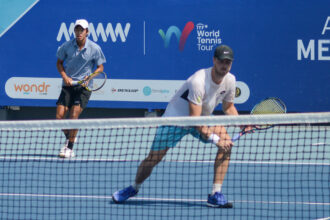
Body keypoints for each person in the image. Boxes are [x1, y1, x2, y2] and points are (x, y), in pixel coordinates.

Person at [112, 45, 248, 208]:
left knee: (226, 144)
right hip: (176, 119)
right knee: (154, 159)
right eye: (221, 61)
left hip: (200, 117)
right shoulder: (198, 81)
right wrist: (215, 140)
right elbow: (193, 121)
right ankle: (134, 187)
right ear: (214, 61)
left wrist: (242, 124)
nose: (224, 66)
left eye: (228, 62)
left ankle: (215, 193)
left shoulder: (230, 80)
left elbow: (228, 107)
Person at [56, 19, 106, 158]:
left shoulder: (95, 48)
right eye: (77, 30)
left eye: (81, 30)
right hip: (68, 85)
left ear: (87, 32)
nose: (79, 32)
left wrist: (89, 77)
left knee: (74, 116)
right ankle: (70, 137)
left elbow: (100, 67)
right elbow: (59, 63)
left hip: (84, 87)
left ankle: (69, 148)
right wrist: (64, 76)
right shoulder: (66, 46)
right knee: (59, 118)